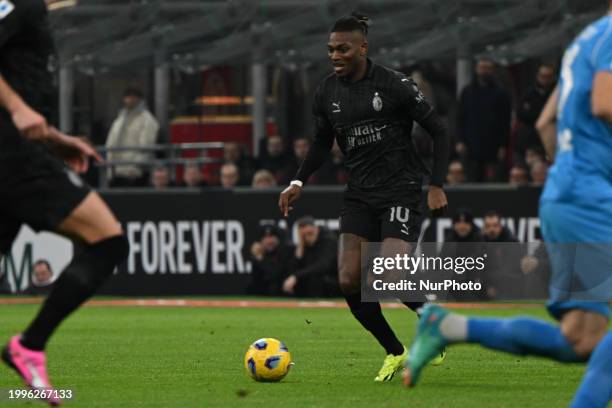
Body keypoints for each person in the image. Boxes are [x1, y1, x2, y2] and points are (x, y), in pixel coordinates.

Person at [403, 5, 612, 408]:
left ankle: (449, 325)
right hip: (587, 195)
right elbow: (604, 104)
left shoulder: (586, 40)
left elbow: (546, 122)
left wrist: (573, 174)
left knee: (583, 340)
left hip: (571, 193)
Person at [278, 12, 450, 381]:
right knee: (349, 280)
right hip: (359, 194)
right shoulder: (327, 91)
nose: (335, 55)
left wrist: (436, 184)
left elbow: (439, 129)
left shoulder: (395, 85)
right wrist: (297, 182)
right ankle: (395, 351)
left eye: (343, 48)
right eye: (330, 50)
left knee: (390, 271)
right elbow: (323, 141)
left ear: (362, 47)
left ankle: (433, 323)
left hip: (400, 188)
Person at [0, 1, 129, 405]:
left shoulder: (33, 12)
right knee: (107, 241)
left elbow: (22, 86)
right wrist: (19, 111)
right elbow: (19, 105)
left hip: (21, 151)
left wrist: (55, 139)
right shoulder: (18, 5)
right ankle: (30, 344)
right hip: (11, 156)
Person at [456, 59, 512, 182]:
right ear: (476, 69)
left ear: (492, 70)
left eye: (487, 68)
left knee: (492, 179)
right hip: (471, 143)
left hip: (492, 143)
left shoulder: (500, 93)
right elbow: (461, 117)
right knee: (472, 178)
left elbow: (505, 122)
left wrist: (503, 145)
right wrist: (460, 140)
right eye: (481, 68)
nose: (484, 71)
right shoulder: (467, 91)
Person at [105, 87, 159, 187]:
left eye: (133, 97)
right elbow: (110, 145)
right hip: (116, 172)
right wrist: (109, 170)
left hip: (136, 175)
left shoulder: (147, 120)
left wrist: (136, 169)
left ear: (139, 99)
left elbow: (146, 147)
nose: (130, 100)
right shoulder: (119, 120)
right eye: (127, 97)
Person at [282, 216, 337, 297]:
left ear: (316, 229)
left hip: (332, 278)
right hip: (311, 281)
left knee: (316, 278)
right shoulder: (304, 244)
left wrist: (296, 276)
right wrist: (301, 246)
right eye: (303, 235)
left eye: (310, 233)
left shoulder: (329, 240)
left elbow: (322, 266)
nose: (307, 238)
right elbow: (293, 269)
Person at [515, 64, 557, 156]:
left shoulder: (556, 94)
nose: (545, 79)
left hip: (550, 137)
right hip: (530, 138)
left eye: (548, 76)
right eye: (542, 76)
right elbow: (521, 113)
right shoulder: (529, 93)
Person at [247, 224, 293, 296]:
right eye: (265, 237)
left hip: (281, 295)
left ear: (277, 238)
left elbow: (275, 275)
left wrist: (260, 258)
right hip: (261, 297)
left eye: (271, 237)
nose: (269, 241)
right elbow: (254, 280)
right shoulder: (259, 253)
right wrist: (256, 258)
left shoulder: (285, 252)